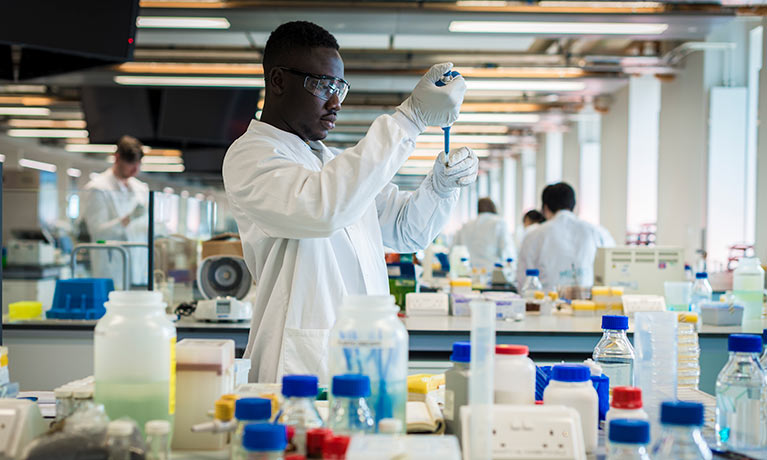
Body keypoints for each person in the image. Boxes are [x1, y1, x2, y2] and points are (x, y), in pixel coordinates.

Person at [222, 21, 478, 383]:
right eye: (323, 85)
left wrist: (441, 187)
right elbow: (321, 209)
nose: (336, 102)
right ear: (278, 81)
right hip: (300, 370)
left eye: (339, 86)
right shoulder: (251, 156)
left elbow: (407, 231)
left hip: (365, 358)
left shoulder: (332, 164)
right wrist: (410, 120)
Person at [516, 182, 615, 291]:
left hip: (545, 305)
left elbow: (523, 282)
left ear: (545, 208)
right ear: (574, 206)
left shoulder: (533, 236)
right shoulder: (597, 232)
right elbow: (612, 271)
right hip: (587, 305)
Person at [83, 135, 149, 289]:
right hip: (111, 268)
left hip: (138, 269)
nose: (135, 169)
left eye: (138, 163)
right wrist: (128, 219)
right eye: (130, 163)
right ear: (117, 158)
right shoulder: (98, 189)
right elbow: (97, 231)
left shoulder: (141, 189)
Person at [453, 197, 515, 273]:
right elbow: (506, 250)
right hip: (492, 273)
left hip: (470, 272)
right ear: (493, 207)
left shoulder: (466, 225)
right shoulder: (499, 222)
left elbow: (454, 248)